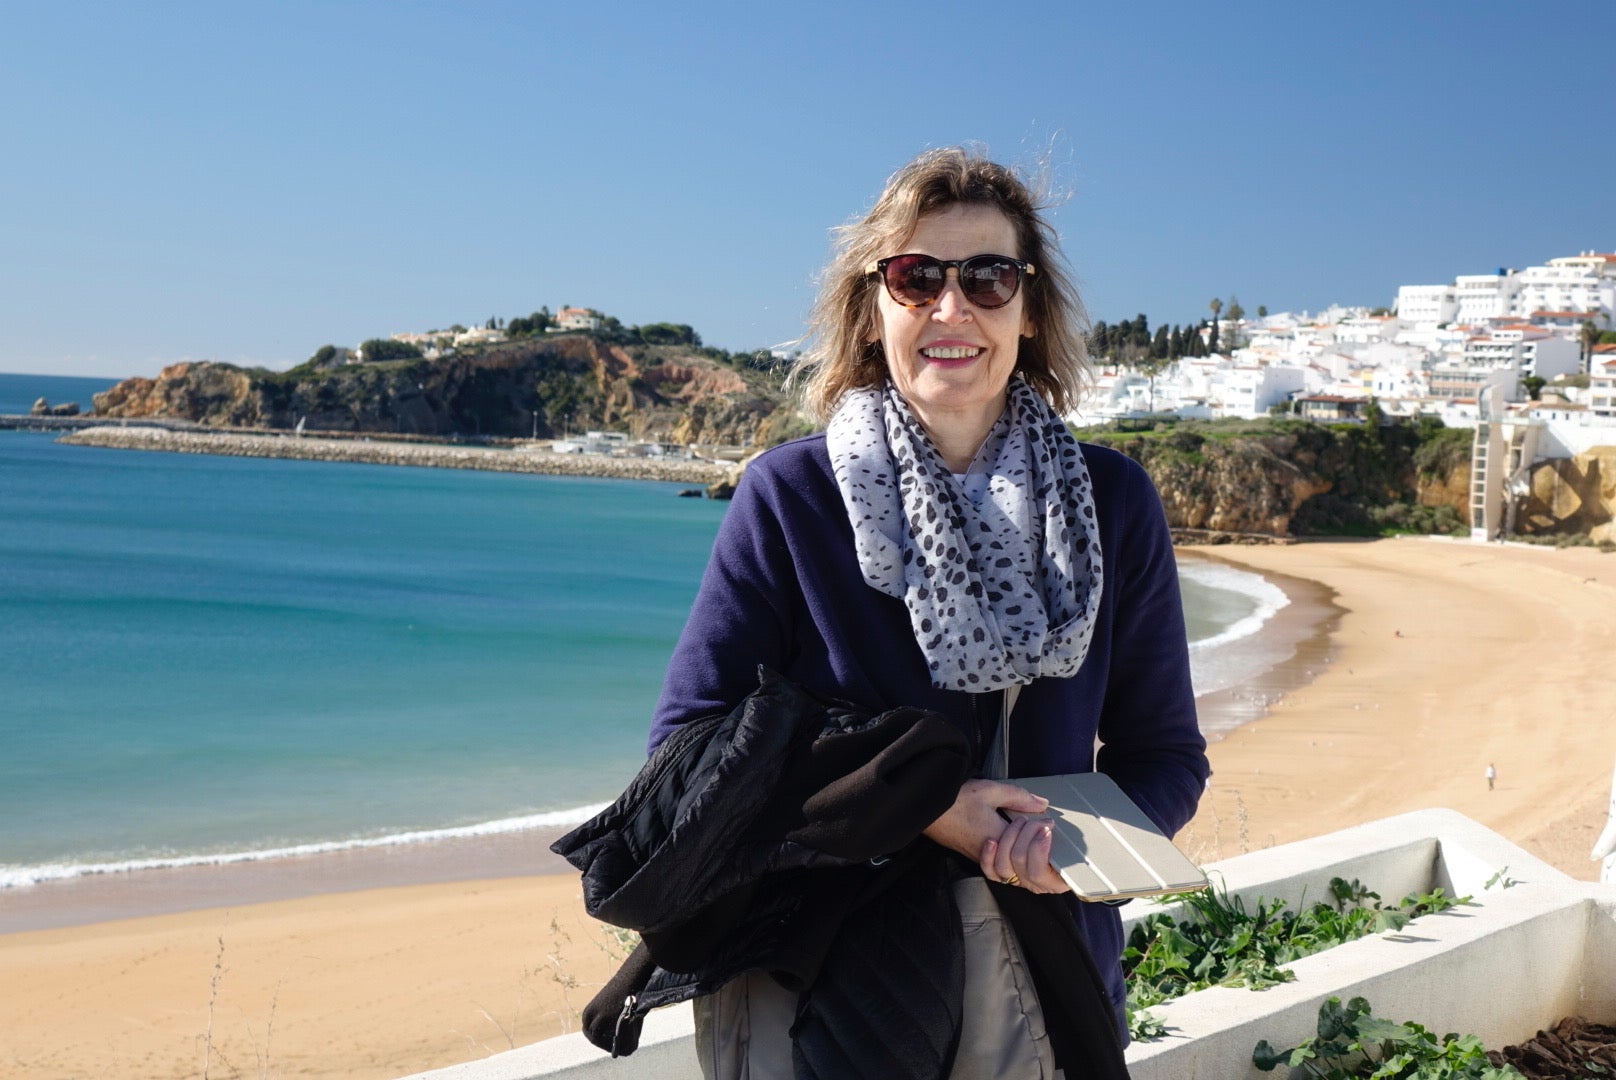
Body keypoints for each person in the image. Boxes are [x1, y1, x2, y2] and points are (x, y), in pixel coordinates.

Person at [648, 148, 1209, 1078]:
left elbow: (1165, 756)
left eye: (989, 277)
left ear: (1029, 313)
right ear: (876, 310)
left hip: (1043, 973)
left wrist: (1064, 850)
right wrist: (927, 807)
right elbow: (688, 744)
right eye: (916, 278)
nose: (954, 310)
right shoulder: (793, 495)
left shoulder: (1113, 502)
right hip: (824, 980)